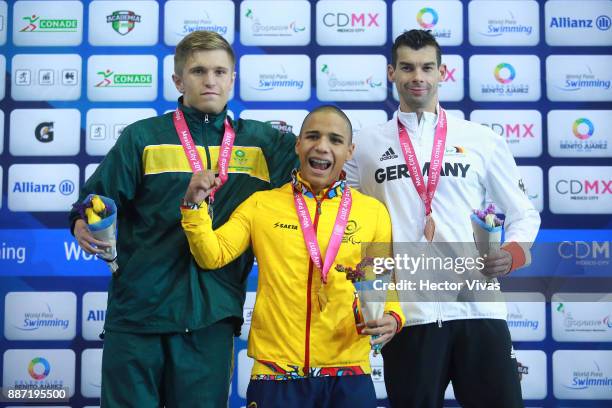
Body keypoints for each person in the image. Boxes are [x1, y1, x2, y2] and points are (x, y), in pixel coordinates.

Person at [69, 31, 299, 407]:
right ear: (178, 80)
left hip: (211, 318)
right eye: (198, 71)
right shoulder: (142, 137)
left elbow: (321, 163)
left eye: (220, 71)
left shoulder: (264, 144)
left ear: (233, 79)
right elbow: (94, 200)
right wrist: (81, 220)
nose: (210, 80)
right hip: (139, 314)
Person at [344, 29, 540, 408]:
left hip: (477, 308)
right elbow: (349, 219)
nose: (417, 76)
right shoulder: (365, 144)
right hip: (407, 317)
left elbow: (523, 213)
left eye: (426, 67)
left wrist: (512, 253)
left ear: (441, 73)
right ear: (391, 73)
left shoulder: (480, 139)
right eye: (407, 67)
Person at [181, 106, 405, 408]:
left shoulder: (372, 212)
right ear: (298, 144)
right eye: (312, 136)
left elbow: (381, 281)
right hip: (276, 373)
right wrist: (194, 208)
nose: (322, 146)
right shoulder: (262, 204)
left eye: (335, 140)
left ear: (350, 151)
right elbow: (213, 254)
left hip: (348, 371)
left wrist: (392, 316)